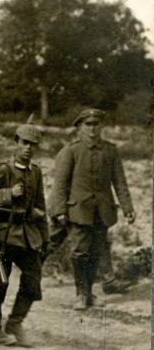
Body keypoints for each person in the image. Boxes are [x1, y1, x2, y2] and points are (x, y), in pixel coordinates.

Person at [49, 108, 135, 310]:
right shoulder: (71, 151)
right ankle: (81, 294)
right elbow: (60, 184)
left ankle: (89, 293)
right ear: (79, 127)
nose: (92, 129)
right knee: (80, 252)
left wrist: (127, 207)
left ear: (101, 126)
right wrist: (60, 210)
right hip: (78, 211)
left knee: (95, 251)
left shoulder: (111, 150)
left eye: (96, 124)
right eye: (88, 124)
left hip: (103, 211)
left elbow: (120, 182)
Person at [0, 124, 48, 348]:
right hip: (3, 235)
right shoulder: (3, 170)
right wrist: (8, 194)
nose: (28, 148)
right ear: (16, 142)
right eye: (24, 143)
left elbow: (40, 205)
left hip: (27, 235)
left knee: (33, 283)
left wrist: (46, 238)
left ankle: (14, 323)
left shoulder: (35, 172)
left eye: (33, 145)